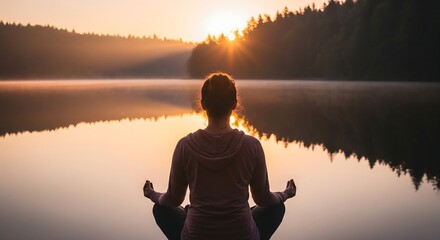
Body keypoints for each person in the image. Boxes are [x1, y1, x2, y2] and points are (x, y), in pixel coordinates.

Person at [143, 73, 296, 240]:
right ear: (234, 104)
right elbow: (263, 199)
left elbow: (173, 199)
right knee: (277, 207)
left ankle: (193, 214)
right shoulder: (252, 145)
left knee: (160, 208)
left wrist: (153, 195)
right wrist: (285, 194)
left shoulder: (185, 146)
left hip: (197, 234)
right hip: (242, 234)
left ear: (203, 104)